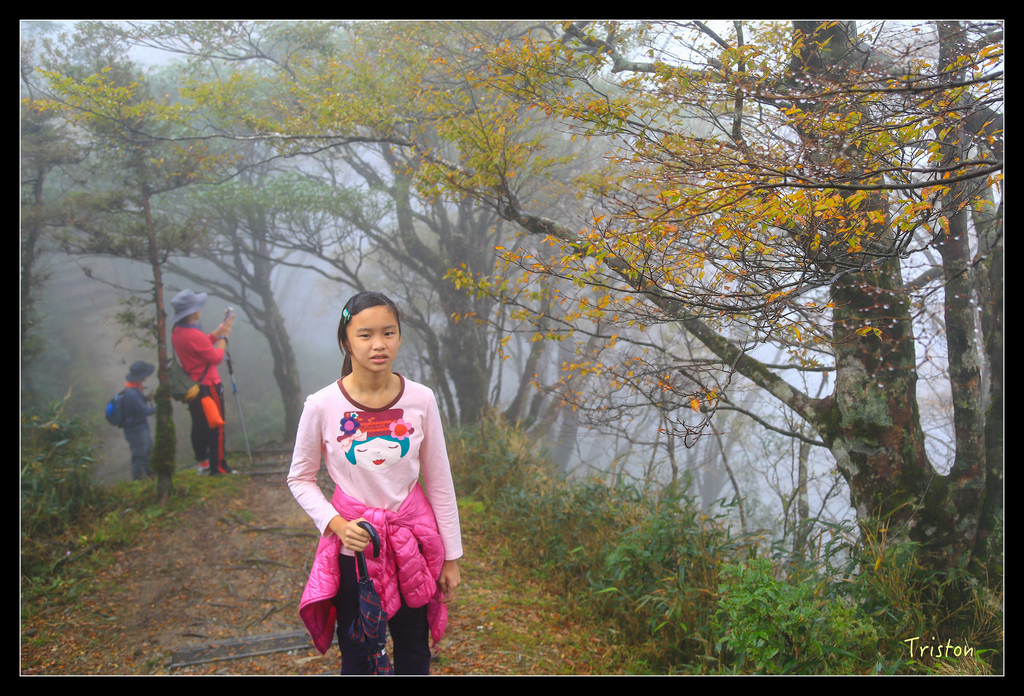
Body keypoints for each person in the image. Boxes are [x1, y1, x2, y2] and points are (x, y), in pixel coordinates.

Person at [288, 291, 462, 675]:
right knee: (358, 649)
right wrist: (337, 525)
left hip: (411, 543)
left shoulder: (422, 399)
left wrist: (451, 556)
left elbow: (439, 481)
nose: (378, 344)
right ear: (345, 341)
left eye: (389, 333)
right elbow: (300, 477)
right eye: (365, 335)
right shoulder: (321, 405)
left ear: (400, 337)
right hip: (355, 548)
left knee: (414, 648)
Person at [169, 289, 235, 476]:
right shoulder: (193, 334)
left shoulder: (178, 331)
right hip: (208, 386)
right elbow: (215, 357)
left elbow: (202, 345)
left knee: (199, 425)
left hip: (193, 387)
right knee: (216, 424)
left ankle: (203, 463)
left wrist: (218, 331)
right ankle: (219, 467)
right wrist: (224, 336)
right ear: (192, 312)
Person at [122, 360, 156, 481]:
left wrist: (146, 398)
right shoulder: (131, 393)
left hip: (140, 426)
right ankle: (139, 479)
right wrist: (161, 406)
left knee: (148, 450)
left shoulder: (135, 388)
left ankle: (149, 474)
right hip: (135, 430)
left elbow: (137, 406)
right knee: (139, 455)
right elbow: (144, 411)